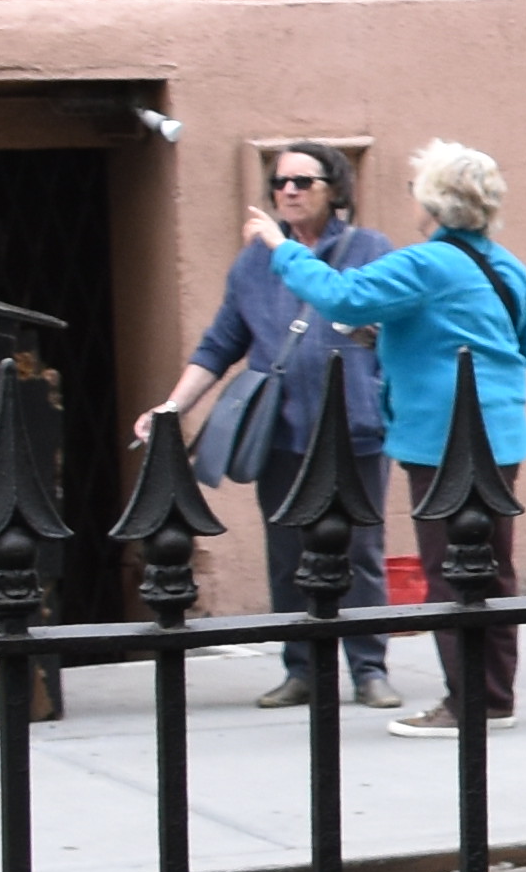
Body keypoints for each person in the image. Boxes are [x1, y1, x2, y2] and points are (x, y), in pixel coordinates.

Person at [269, 139, 526, 729]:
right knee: (492, 570)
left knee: (450, 571)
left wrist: (281, 248)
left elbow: (339, 295)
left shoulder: (424, 262)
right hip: (500, 438)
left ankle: (469, 703)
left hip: (441, 441)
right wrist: (396, 339)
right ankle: (495, 696)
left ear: (434, 202)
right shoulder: (506, 266)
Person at [136, 141, 394, 709]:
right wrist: (172, 407)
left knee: (361, 551)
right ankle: (302, 668)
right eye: (281, 183)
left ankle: (369, 667)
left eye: (304, 181)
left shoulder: (369, 250)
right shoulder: (253, 261)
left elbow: (386, 330)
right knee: (287, 554)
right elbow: (220, 344)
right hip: (280, 432)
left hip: (354, 428)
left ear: (335, 189)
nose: (290, 192)